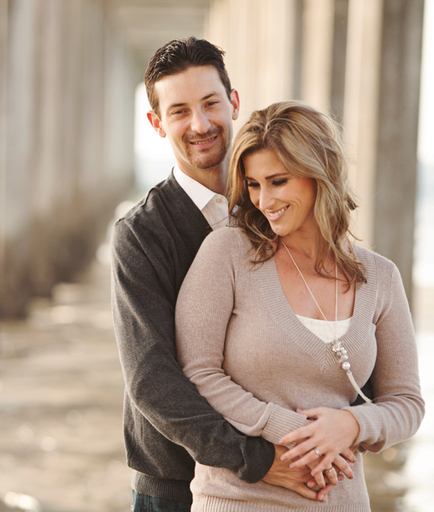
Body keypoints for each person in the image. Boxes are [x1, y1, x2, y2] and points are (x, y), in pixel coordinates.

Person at [111, 40, 352, 512]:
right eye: (179, 111)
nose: (200, 125)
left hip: (288, 475)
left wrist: (344, 428)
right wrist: (258, 459)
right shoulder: (141, 235)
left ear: (234, 102)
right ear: (157, 124)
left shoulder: (276, 210)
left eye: (210, 104)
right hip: (174, 483)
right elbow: (152, 381)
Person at [175, 101, 425, 510]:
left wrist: (351, 424)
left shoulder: (381, 277)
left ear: (317, 175)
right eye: (253, 184)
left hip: (340, 502)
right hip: (238, 499)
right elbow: (199, 373)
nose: (263, 200)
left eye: (278, 181)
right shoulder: (228, 253)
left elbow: (407, 404)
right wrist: (292, 429)